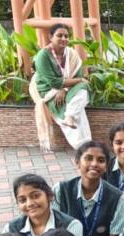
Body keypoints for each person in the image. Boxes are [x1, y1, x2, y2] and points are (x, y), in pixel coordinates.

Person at [4, 173, 84, 236]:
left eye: (35, 196)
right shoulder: (11, 229)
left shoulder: (71, 225)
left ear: (49, 195)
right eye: (22, 200)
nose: (30, 203)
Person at [52, 141, 124, 236]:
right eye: (88, 158)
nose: (94, 164)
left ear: (106, 167)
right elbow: (53, 232)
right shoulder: (60, 190)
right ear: (77, 163)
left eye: (101, 160)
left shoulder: (117, 198)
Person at [29, 23, 91, 151]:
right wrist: (77, 81)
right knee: (71, 107)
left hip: (66, 88)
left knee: (83, 88)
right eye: (59, 35)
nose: (64, 38)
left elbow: (77, 74)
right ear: (50, 37)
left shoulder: (71, 53)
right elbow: (54, 82)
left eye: (66, 36)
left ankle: (71, 117)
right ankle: (83, 146)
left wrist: (64, 89)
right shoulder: (43, 56)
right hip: (48, 92)